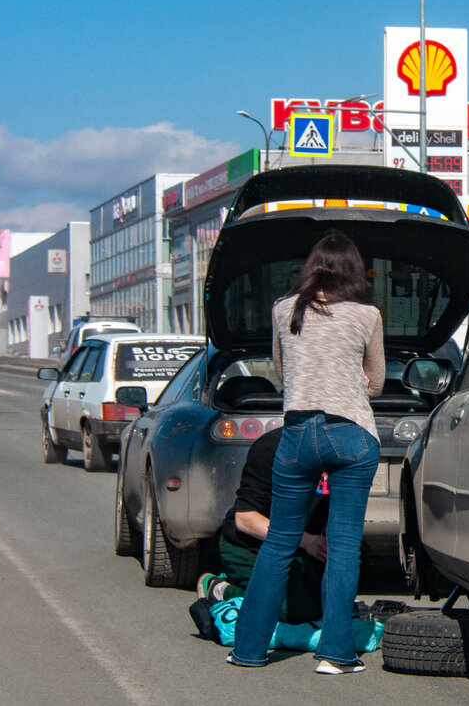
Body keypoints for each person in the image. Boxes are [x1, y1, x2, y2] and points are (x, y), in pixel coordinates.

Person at [228, 230, 385, 676]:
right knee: (343, 545)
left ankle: (249, 650)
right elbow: (374, 384)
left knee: (278, 541)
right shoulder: (367, 315)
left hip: (297, 434)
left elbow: (282, 372)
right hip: (351, 433)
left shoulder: (283, 310)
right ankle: (336, 654)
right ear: (354, 271)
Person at [198, 426, 327, 625]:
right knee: (294, 613)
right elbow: (245, 519)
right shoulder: (272, 446)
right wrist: (306, 541)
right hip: (250, 545)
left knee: (323, 609)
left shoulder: (342, 453)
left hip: (297, 549)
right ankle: (218, 587)